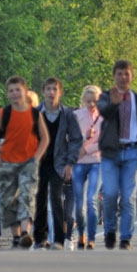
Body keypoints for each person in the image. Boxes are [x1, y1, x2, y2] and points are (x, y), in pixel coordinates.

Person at [0, 76, 50, 249]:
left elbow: (44, 138)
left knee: (27, 197)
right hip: (8, 163)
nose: (15, 93)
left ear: (24, 91)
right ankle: (16, 237)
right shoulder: (3, 114)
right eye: (11, 90)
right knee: (9, 201)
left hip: (28, 163)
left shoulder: (35, 114)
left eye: (18, 90)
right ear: (7, 94)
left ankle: (24, 233)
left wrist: (36, 158)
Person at [98, 60, 137, 250]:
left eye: (126, 73)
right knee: (110, 195)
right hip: (111, 153)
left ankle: (126, 237)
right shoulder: (106, 96)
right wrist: (114, 105)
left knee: (129, 197)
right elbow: (103, 113)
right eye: (119, 74)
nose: (123, 77)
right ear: (114, 76)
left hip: (132, 152)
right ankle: (110, 231)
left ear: (132, 76)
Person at [34, 77, 82, 250]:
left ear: (60, 92)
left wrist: (70, 163)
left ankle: (59, 240)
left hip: (59, 163)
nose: (51, 92)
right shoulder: (35, 113)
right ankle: (40, 239)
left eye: (55, 89)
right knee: (39, 200)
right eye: (48, 89)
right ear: (43, 92)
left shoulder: (67, 114)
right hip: (39, 162)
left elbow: (76, 139)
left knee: (56, 199)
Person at [72, 85, 103, 249]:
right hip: (79, 162)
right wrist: (84, 139)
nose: (91, 104)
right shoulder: (76, 116)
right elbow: (70, 138)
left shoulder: (103, 117)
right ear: (83, 100)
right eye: (88, 101)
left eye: (95, 101)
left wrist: (87, 149)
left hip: (97, 162)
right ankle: (81, 234)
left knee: (91, 199)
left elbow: (105, 141)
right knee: (79, 203)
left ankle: (91, 238)